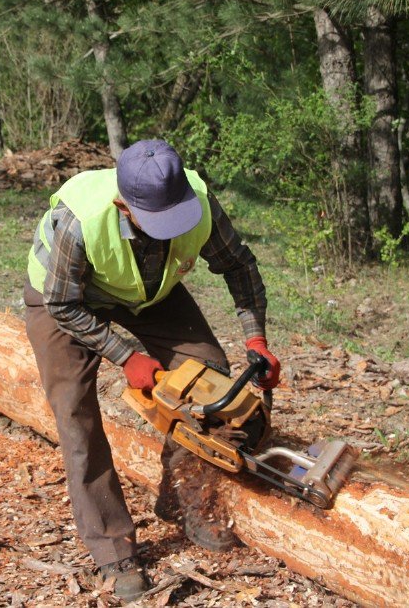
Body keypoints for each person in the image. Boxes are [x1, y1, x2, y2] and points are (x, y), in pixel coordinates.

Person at [24, 139, 280, 601]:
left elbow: (239, 266)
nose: (170, 229)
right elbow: (62, 303)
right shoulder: (79, 221)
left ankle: (183, 497)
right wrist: (125, 355)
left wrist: (256, 339)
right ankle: (113, 550)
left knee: (210, 375)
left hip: (148, 293)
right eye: (156, 221)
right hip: (66, 301)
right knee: (76, 416)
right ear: (123, 204)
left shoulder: (198, 201)